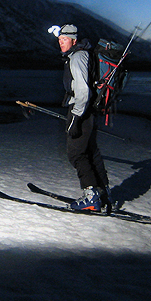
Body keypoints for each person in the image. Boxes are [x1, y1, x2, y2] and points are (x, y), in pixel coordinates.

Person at [56, 24, 112, 212]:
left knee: (76, 154)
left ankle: (91, 197)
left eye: (64, 40)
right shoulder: (83, 54)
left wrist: (75, 118)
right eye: (59, 40)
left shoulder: (77, 57)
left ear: (73, 40)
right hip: (89, 110)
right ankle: (103, 193)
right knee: (90, 152)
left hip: (81, 110)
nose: (61, 43)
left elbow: (83, 92)